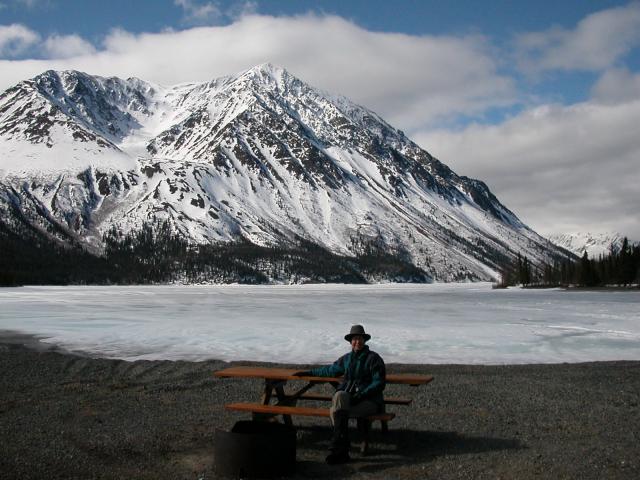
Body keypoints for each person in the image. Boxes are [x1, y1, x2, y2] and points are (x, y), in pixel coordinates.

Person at [294, 324, 386, 464]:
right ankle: (341, 450)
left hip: (370, 402)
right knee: (339, 396)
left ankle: (339, 450)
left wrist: (360, 395)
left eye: (360, 338)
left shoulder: (374, 358)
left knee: (335, 411)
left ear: (364, 340)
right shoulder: (347, 359)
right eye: (354, 339)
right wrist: (309, 372)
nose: (357, 341)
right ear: (350, 342)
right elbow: (330, 370)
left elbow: (378, 383)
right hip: (350, 400)